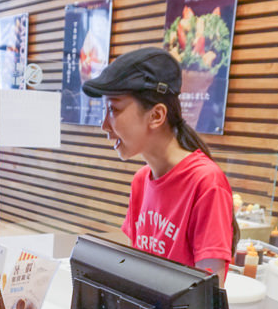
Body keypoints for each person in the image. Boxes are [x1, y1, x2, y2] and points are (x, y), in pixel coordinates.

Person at [82, 47, 238, 284]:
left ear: (156, 115)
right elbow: (136, 269)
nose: (104, 125)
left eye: (113, 109)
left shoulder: (206, 182)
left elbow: (208, 295)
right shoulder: (141, 180)